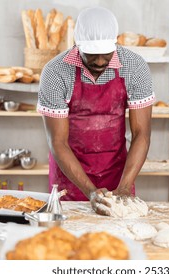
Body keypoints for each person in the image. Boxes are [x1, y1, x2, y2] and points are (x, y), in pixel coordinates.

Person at [37, 6, 154, 213]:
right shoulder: (55, 72)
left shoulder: (134, 67)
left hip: (118, 174)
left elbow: (141, 134)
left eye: (106, 54)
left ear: (115, 42)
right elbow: (57, 142)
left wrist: (125, 186)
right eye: (91, 54)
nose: (100, 62)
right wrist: (90, 191)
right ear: (77, 44)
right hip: (70, 178)